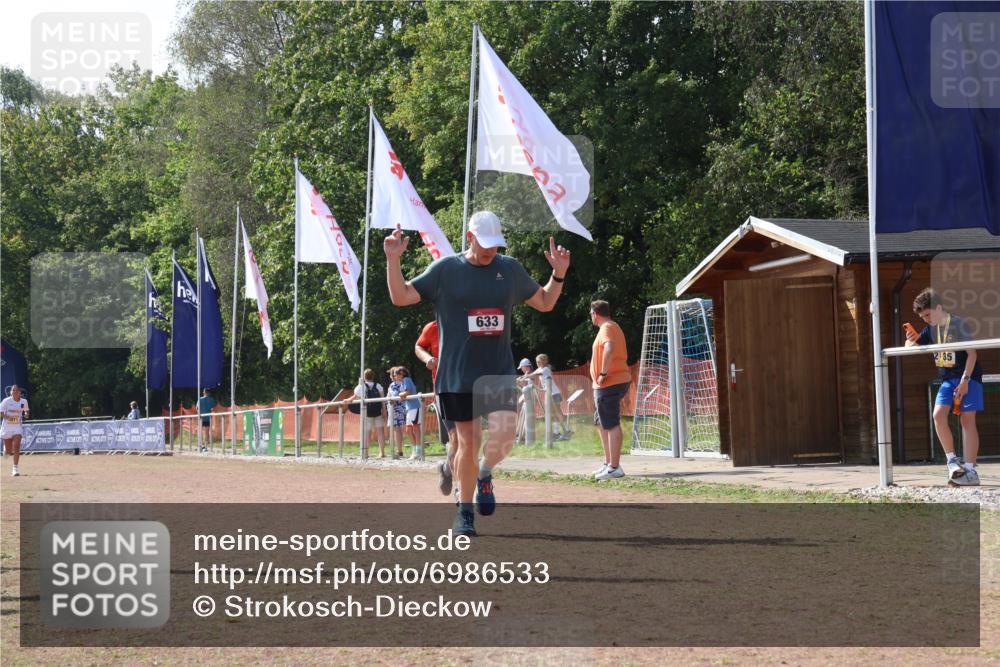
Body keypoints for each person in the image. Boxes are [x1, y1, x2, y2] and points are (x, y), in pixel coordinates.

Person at [385, 210, 570, 536]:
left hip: (496, 372)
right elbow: (400, 297)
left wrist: (558, 275)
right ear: (470, 237)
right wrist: (393, 260)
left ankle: (484, 473)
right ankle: (464, 514)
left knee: (504, 439)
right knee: (469, 442)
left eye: (495, 245)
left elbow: (544, 302)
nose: (491, 251)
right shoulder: (445, 270)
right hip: (457, 375)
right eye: (485, 244)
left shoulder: (508, 269)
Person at [904, 287, 983, 486]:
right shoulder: (930, 329)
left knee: (967, 421)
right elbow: (910, 346)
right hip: (947, 379)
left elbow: (972, 355)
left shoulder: (958, 324)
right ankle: (952, 462)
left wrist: (965, 381)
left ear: (939, 308)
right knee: (938, 415)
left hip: (968, 376)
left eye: (928, 314)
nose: (926, 319)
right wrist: (911, 341)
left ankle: (971, 470)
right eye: (922, 317)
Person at [589, 300, 631, 481]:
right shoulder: (610, 326)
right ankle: (609, 464)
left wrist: (603, 373)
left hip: (609, 382)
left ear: (595, 314)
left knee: (611, 423)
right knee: (601, 422)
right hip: (607, 384)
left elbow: (610, 347)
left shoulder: (607, 327)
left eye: (590, 314)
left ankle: (615, 467)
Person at [416, 320, 458, 495]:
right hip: (445, 389)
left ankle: (447, 470)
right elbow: (418, 346)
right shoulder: (433, 327)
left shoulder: (470, 321)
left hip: (472, 388)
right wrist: (428, 358)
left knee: (471, 439)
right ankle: (461, 489)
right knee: (457, 437)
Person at [527, 353, 571, 440]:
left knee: (557, 413)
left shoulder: (546, 369)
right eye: (537, 362)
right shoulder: (540, 368)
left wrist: (526, 376)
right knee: (554, 413)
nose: (538, 364)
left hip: (554, 394)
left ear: (544, 361)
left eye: (539, 362)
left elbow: (534, 375)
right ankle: (557, 432)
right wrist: (523, 377)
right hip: (550, 394)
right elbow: (531, 374)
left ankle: (566, 430)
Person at [354, 369, 388, 458]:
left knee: (367, 433)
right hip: (378, 412)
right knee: (380, 432)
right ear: (373, 376)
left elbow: (355, 395)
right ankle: (382, 452)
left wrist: (348, 400)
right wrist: (384, 410)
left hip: (367, 412)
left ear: (364, 377)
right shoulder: (378, 386)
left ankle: (366, 453)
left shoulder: (361, 386)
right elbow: (382, 399)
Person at [1, 384, 30, 477]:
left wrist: (26, 414)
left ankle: (15, 469)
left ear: (19, 392)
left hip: (17, 427)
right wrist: (7, 417)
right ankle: (6, 450)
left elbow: (26, 411)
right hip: (7, 427)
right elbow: (1, 413)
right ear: (11, 392)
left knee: (17, 447)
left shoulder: (24, 401)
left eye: (16, 390)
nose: (15, 392)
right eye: (13, 390)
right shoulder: (6, 401)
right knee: (9, 452)